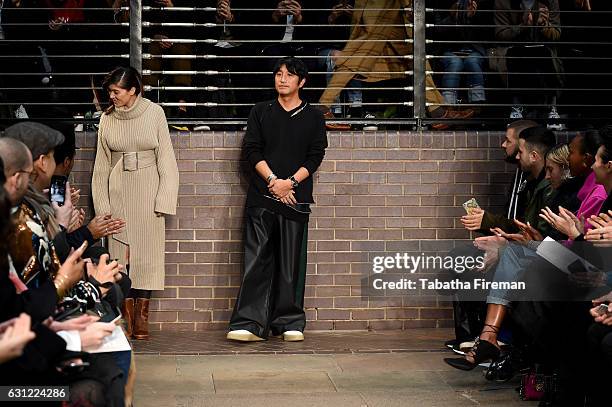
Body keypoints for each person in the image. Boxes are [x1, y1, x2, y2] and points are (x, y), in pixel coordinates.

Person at [227, 57, 327, 342]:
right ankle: (249, 323)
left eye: (289, 75)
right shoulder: (260, 111)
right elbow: (252, 150)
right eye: (279, 74)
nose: (282, 79)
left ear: (302, 82)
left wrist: (290, 183)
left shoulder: (314, 116)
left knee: (290, 263)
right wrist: (273, 181)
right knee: (256, 260)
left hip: (295, 198)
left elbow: (315, 156)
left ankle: (289, 322)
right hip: (262, 196)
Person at [92, 66, 179, 340]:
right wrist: (102, 207)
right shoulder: (106, 119)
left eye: (116, 91)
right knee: (120, 255)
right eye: (110, 92)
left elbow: (166, 158)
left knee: (148, 255)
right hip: (117, 188)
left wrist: (164, 199)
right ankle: (125, 315)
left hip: (148, 190)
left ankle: (142, 316)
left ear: (133, 90)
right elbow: (101, 167)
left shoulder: (155, 113)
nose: (112, 96)